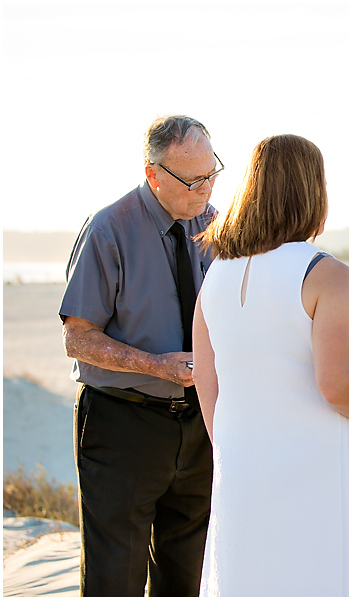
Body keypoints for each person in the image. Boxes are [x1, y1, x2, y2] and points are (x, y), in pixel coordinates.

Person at [192, 134, 349, 596]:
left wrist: (229, 442)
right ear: (313, 191)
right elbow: (334, 384)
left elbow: (204, 374)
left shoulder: (216, 273)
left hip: (239, 456)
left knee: (247, 576)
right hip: (310, 460)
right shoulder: (327, 274)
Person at [60, 115, 221, 596]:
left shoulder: (215, 227)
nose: (206, 189)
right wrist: (156, 365)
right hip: (122, 425)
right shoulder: (107, 229)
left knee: (186, 576)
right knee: (116, 578)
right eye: (193, 180)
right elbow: (78, 338)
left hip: (198, 427)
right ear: (153, 174)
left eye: (212, 173)